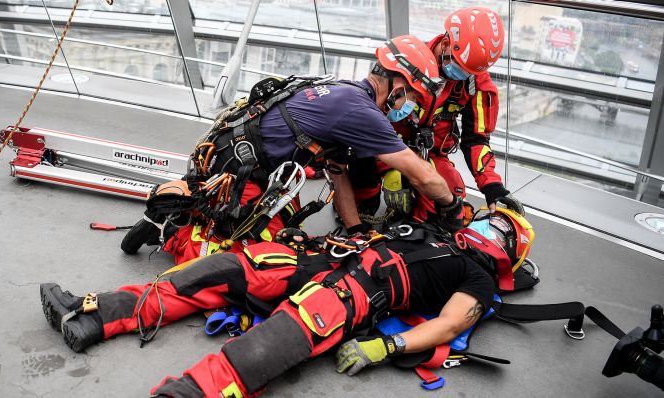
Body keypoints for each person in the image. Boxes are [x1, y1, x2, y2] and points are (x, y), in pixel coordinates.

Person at [39, 208, 534, 396]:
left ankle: (189, 394)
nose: (491, 227)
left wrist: (387, 347)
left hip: (356, 293)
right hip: (324, 256)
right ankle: (90, 316)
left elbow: (449, 325)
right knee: (219, 270)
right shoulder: (441, 231)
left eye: (502, 230)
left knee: (275, 340)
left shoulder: (480, 275)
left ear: (509, 252)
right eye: (494, 219)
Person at [123, 34, 464, 264]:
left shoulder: (343, 89)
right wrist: (452, 205)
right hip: (243, 173)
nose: (413, 107)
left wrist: (357, 230)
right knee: (267, 263)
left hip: (247, 160)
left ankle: (182, 207)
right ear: (397, 82)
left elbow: (338, 172)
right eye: (415, 96)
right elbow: (420, 175)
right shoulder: (362, 112)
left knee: (289, 230)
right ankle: (176, 226)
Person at [348, 7, 523, 227]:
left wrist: (492, 187)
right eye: (457, 64)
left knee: (450, 203)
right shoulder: (407, 59)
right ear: (447, 42)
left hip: (431, 155)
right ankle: (365, 203)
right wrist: (394, 166)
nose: (460, 73)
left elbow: (477, 139)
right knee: (361, 176)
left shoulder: (476, 84)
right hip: (386, 145)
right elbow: (371, 115)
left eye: (468, 71)